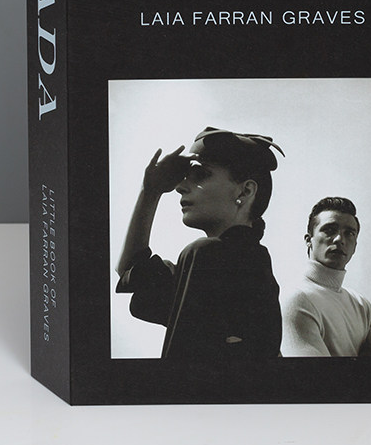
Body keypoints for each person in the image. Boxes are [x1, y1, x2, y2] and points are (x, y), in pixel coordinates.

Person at [115, 127, 284, 359]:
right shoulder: (213, 266)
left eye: (201, 175)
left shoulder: (225, 261)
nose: (180, 187)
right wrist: (151, 191)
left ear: (245, 191)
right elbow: (130, 270)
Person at [281, 196, 371, 357]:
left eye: (349, 233)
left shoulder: (362, 305)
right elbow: (311, 373)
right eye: (329, 230)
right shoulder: (295, 299)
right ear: (309, 240)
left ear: (355, 246)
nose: (339, 239)